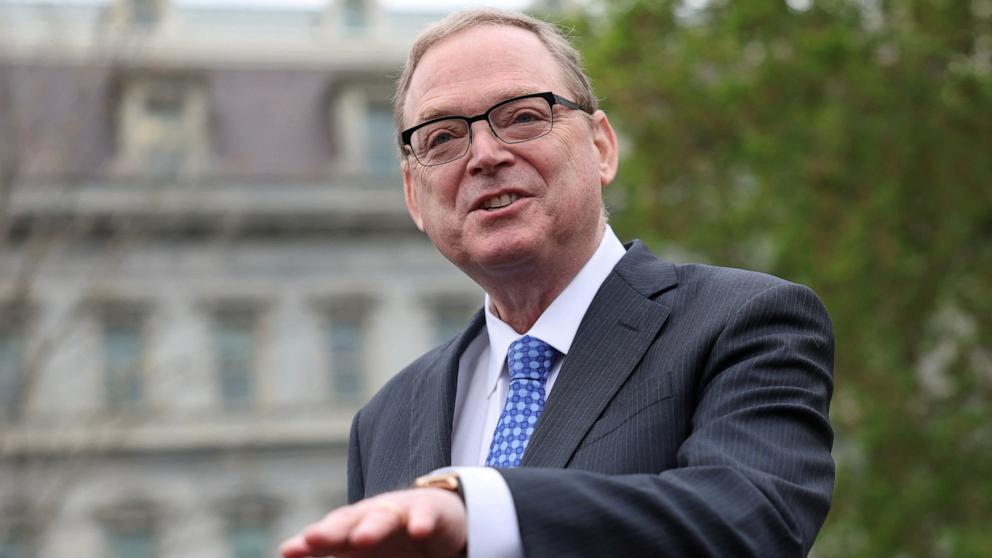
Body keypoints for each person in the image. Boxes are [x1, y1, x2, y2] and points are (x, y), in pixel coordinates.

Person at [280, 8, 834, 558]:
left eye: (522, 116)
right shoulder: (383, 421)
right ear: (412, 196)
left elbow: (749, 522)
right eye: (443, 137)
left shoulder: (745, 323)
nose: (485, 156)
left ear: (601, 148)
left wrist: (481, 507)